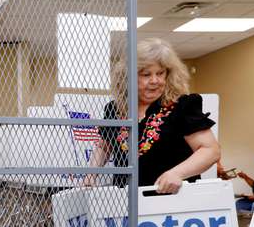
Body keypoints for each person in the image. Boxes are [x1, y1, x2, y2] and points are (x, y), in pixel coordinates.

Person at [87, 38, 221, 193]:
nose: (155, 81)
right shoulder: (114, 109)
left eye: (160, 73)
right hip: (125, 200)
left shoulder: (182, 106)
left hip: (173, 201)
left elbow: (210, 150)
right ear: (127, 77)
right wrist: (91, 175)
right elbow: (105, 147)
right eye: (146, 74)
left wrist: (176, 173)